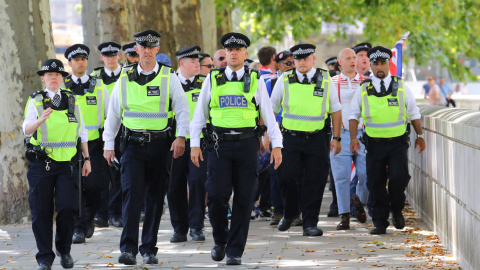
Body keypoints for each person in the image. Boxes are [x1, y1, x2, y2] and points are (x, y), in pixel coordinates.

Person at [190, 32, 283, 265]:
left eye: (237, 49)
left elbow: (269, 118)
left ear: (245, 54)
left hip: (246, 145)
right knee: (217, 196)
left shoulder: (255, 80)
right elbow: (199, 115)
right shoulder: (211, 79)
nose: (233, 53)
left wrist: (277, 145)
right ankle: (220, 240)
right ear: (225, 53)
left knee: (244, 199)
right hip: (218, 146)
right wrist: (194, 144)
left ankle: (234, 251)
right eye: (229, 49)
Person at [103, 29, 190, 265]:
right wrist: (108, 144)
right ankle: (128, 249)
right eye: (144, 47)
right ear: (137, 50)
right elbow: (113, 113)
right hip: (132, 146)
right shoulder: (124, 75)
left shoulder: (168, 76)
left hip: (161, 146)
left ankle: (149, 248)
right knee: (132, 195)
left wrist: (180, 137)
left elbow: (182, 110)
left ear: (157, 50)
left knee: (154, 198)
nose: (148, 51)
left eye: (152, 47)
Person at [349, 46, 426, 234]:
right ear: (371, 66)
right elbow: (353, 114)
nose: (379, 67)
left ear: (388, 64)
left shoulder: (401, 86)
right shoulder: (364, 88)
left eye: (383, 63)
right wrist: (353, 137)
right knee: (375, 182)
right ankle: (379, 221)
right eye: (375, 64)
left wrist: (420, 135)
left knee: (399, 178)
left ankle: (396, 209)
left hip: (397, 143)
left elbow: (413, 112)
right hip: (374, 144)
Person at [23, 59, 91, 270]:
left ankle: (65, 250)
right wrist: (40, 121)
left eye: (57, 74)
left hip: (68, 166)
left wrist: (87, 158)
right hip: (41, 165)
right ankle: (44, 257)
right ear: (43, 78)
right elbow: (26, 129)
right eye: (49, 74)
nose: (53, 77)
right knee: (42, 211)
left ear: (63, 78)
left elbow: (82, 133)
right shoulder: (35, 100)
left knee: (68, 208)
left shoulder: (72, 100)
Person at [270, 43, 342, 236]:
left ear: (312, 59)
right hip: (290, 138)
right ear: (294, 61)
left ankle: (310, 223)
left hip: (317, 139)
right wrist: (267, 136)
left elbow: (335, 109)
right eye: (298, 59)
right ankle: (290, 213)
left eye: (305, 59)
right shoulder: (285, 79)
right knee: (286, 177)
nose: (302, 63)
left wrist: (336, 137)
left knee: (315, 182)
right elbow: (272, 109)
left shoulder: (325, 79)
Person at [60, 44, 111, 244]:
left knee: (96, 185)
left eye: (83, 59)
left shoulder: (98, 85)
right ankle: (78, 227)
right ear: (70, 63)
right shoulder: (63, 87)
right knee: (75, 186)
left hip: (95, 143)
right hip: (71, 145)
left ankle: (89, 218)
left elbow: (109, 113)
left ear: (87, 62)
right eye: (76, 60)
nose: (80, 63)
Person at [167, 46, 208, 243]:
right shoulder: (169, 82)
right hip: (174, 142)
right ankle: (179, 228)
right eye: (192, 62)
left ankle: (197, 226)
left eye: (198, 61)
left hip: (198, 142)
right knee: (174, 185)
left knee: (198, 182)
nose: (197, 65)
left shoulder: (205, 83)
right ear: (181, 63)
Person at [330, 48, 368, 230]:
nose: (353, 61)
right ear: (340, 62)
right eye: (348, 58)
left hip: (363, 134)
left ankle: (359, 200)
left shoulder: (366, 82)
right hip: (341, 134)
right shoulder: (332, 83)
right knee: (341, 177)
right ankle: (344, 215)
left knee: (366, 174)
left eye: (354, 57)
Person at [92, 42, 124, 229]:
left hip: (124, 130)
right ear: (102, 57)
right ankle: (101, 214)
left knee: (119, 174)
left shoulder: (129, 75)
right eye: (107, 55)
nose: (111, 59)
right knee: (101, 174)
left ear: (119, 56)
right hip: (102, 132)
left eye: (114, 55)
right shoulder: (94, 77)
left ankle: (115, 213)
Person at [265, 50, 295, 226]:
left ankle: (295, 210)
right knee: (275, 171)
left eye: (293, 62)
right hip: (277, 131)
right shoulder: (271, 83)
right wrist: (266, 134)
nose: (291, 66)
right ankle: (278, 210)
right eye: (287, 64)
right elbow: (266, 109)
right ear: (279, 65)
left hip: (293, 131)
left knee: (294, 173)